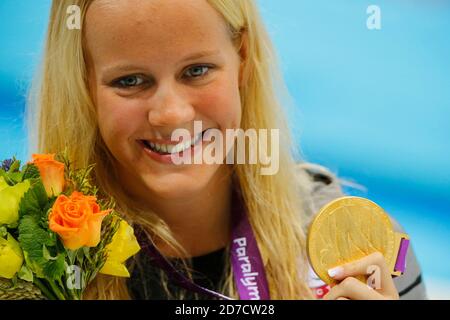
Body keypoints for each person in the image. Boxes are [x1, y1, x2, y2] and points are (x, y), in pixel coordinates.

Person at [26, 0, 427, 300]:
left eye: (196, 71)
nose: (171, 115)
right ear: (82, 86)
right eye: (130, 81)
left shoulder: (367, 253)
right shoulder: (29, 262)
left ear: (243, 58)